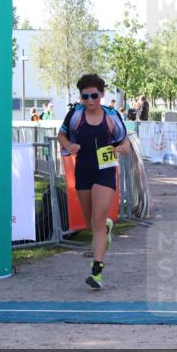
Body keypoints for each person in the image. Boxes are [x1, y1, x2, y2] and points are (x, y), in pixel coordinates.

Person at [57, 74, 130, 290]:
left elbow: (124, 141)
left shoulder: (111, 115)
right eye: (85, 96)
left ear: (102, 95)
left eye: (94, 96)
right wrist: (70, 146)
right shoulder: (75, 115)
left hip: (105, 171)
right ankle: (105, 229)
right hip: (84, 170)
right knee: (92, 223)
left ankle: (97, 272)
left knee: (97, 219)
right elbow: (61, 135)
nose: (90, 100)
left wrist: (122, 148)